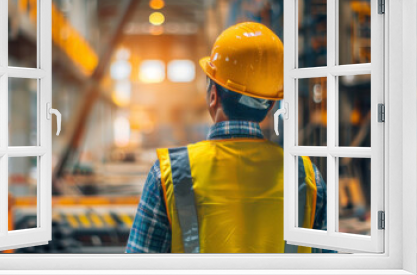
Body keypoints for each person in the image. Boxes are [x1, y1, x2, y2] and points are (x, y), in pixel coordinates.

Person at [125, 22, 330, 253]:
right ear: (271, 105)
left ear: (213, 96)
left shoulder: (167, 174)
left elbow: (138, 263)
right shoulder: (308, 177)